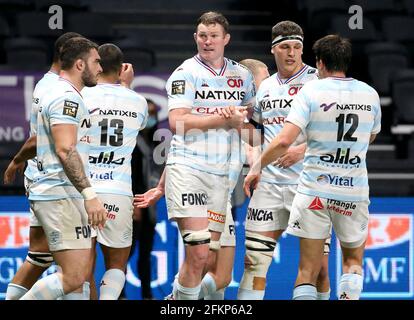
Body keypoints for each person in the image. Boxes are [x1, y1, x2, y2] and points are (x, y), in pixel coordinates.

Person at [244, 34, 381, 300]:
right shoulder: (370, 93)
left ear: (319, 63)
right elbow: (371, 136)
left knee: (307, 269)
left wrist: (257, 165)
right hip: (353, 190)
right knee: (352, 262)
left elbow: (283, 140)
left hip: (314, 191)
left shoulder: (311, 91)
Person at [163, 11, 255, 300]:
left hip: (222, 180)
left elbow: (250, 126)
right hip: (188, 169)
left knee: (210, 265)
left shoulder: (242, 76)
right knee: (199, 253)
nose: (207, 41)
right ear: (195, 38)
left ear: (225, 39)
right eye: (202, 35)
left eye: (214, 36)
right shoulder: (185, 73)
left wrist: (260, 158)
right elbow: (177, 122)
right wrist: (221, 119)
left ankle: (175, 300)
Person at [237, 21, 331, 300]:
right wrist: (234, 123)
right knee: (254, 264)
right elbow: (255, 133)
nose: (292, 53)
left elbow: (335, 132)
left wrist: (301, 150)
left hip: (310, 184)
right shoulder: (265, 87)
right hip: (269, 186)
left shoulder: (318, 81)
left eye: (297, 47)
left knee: (320, 268)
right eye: (285, 47)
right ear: (273, 50)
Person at [3, 32, 94, 300]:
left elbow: (38, 137)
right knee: (76, 273)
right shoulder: (60, 91)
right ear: (72, 57)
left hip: (42, 182)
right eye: (92, 60)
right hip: (58, 186)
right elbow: (57, 143)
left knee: (39, 258)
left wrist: (19, 159)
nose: (96, 67)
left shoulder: (46, 85)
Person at [82, 43, 148, 300]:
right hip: (118, 191)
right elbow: (141, 122)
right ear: (122, 69)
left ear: (95, 66)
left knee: (82, 268)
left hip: (85, 190)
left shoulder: (81, 96)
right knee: (116, 266)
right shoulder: (138, 101)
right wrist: (126, 87)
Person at [128, 99, 162, 300]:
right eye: (147, 114)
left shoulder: (157, 141)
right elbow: (131, 174)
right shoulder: (132, 140)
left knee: (146, 253)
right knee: (126, 252)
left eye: (154, 113)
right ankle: (119, 293)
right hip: (135, 205)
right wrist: (134, 203)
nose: (151, 118)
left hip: (150, 206)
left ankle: (147, 295)